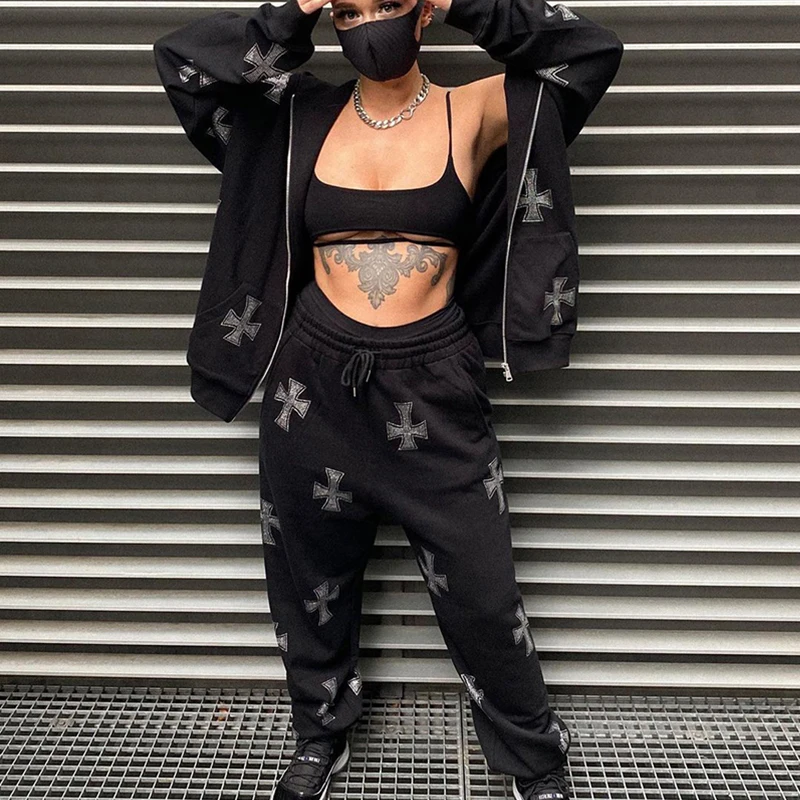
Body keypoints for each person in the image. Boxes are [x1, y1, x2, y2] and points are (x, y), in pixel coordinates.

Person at [153, 1, 623, 798]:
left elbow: (588, 54)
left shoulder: (475, 109)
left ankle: (532, 754)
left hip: (433, 384)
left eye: (387, 5)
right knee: (308, 584)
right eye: (349, 10)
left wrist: (471, 4)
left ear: (424, 10)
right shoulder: (299, 113)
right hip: (311, 382)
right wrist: (295, 11)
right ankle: (321, 732)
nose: (367, 23)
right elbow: (186, 66)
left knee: (483, 593)